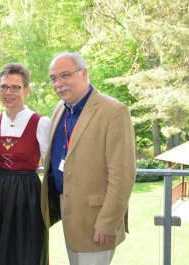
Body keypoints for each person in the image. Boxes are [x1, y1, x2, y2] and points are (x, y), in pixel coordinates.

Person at [41, 51, 136, 265]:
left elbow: (123, 175)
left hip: (96, 218)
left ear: (84, 73)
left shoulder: (114, 111)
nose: (59, 83)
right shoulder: (60, 109)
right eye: (54, 78)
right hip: (68, 210)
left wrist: (108, 222)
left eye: (65, 75)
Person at [0, 63, 51, 265]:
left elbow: (50, 164)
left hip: (28, 194)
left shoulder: (41, 122)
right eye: (3, 87)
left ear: (26, 90)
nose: (8, 92)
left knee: (26, 249)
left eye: (14, 87)